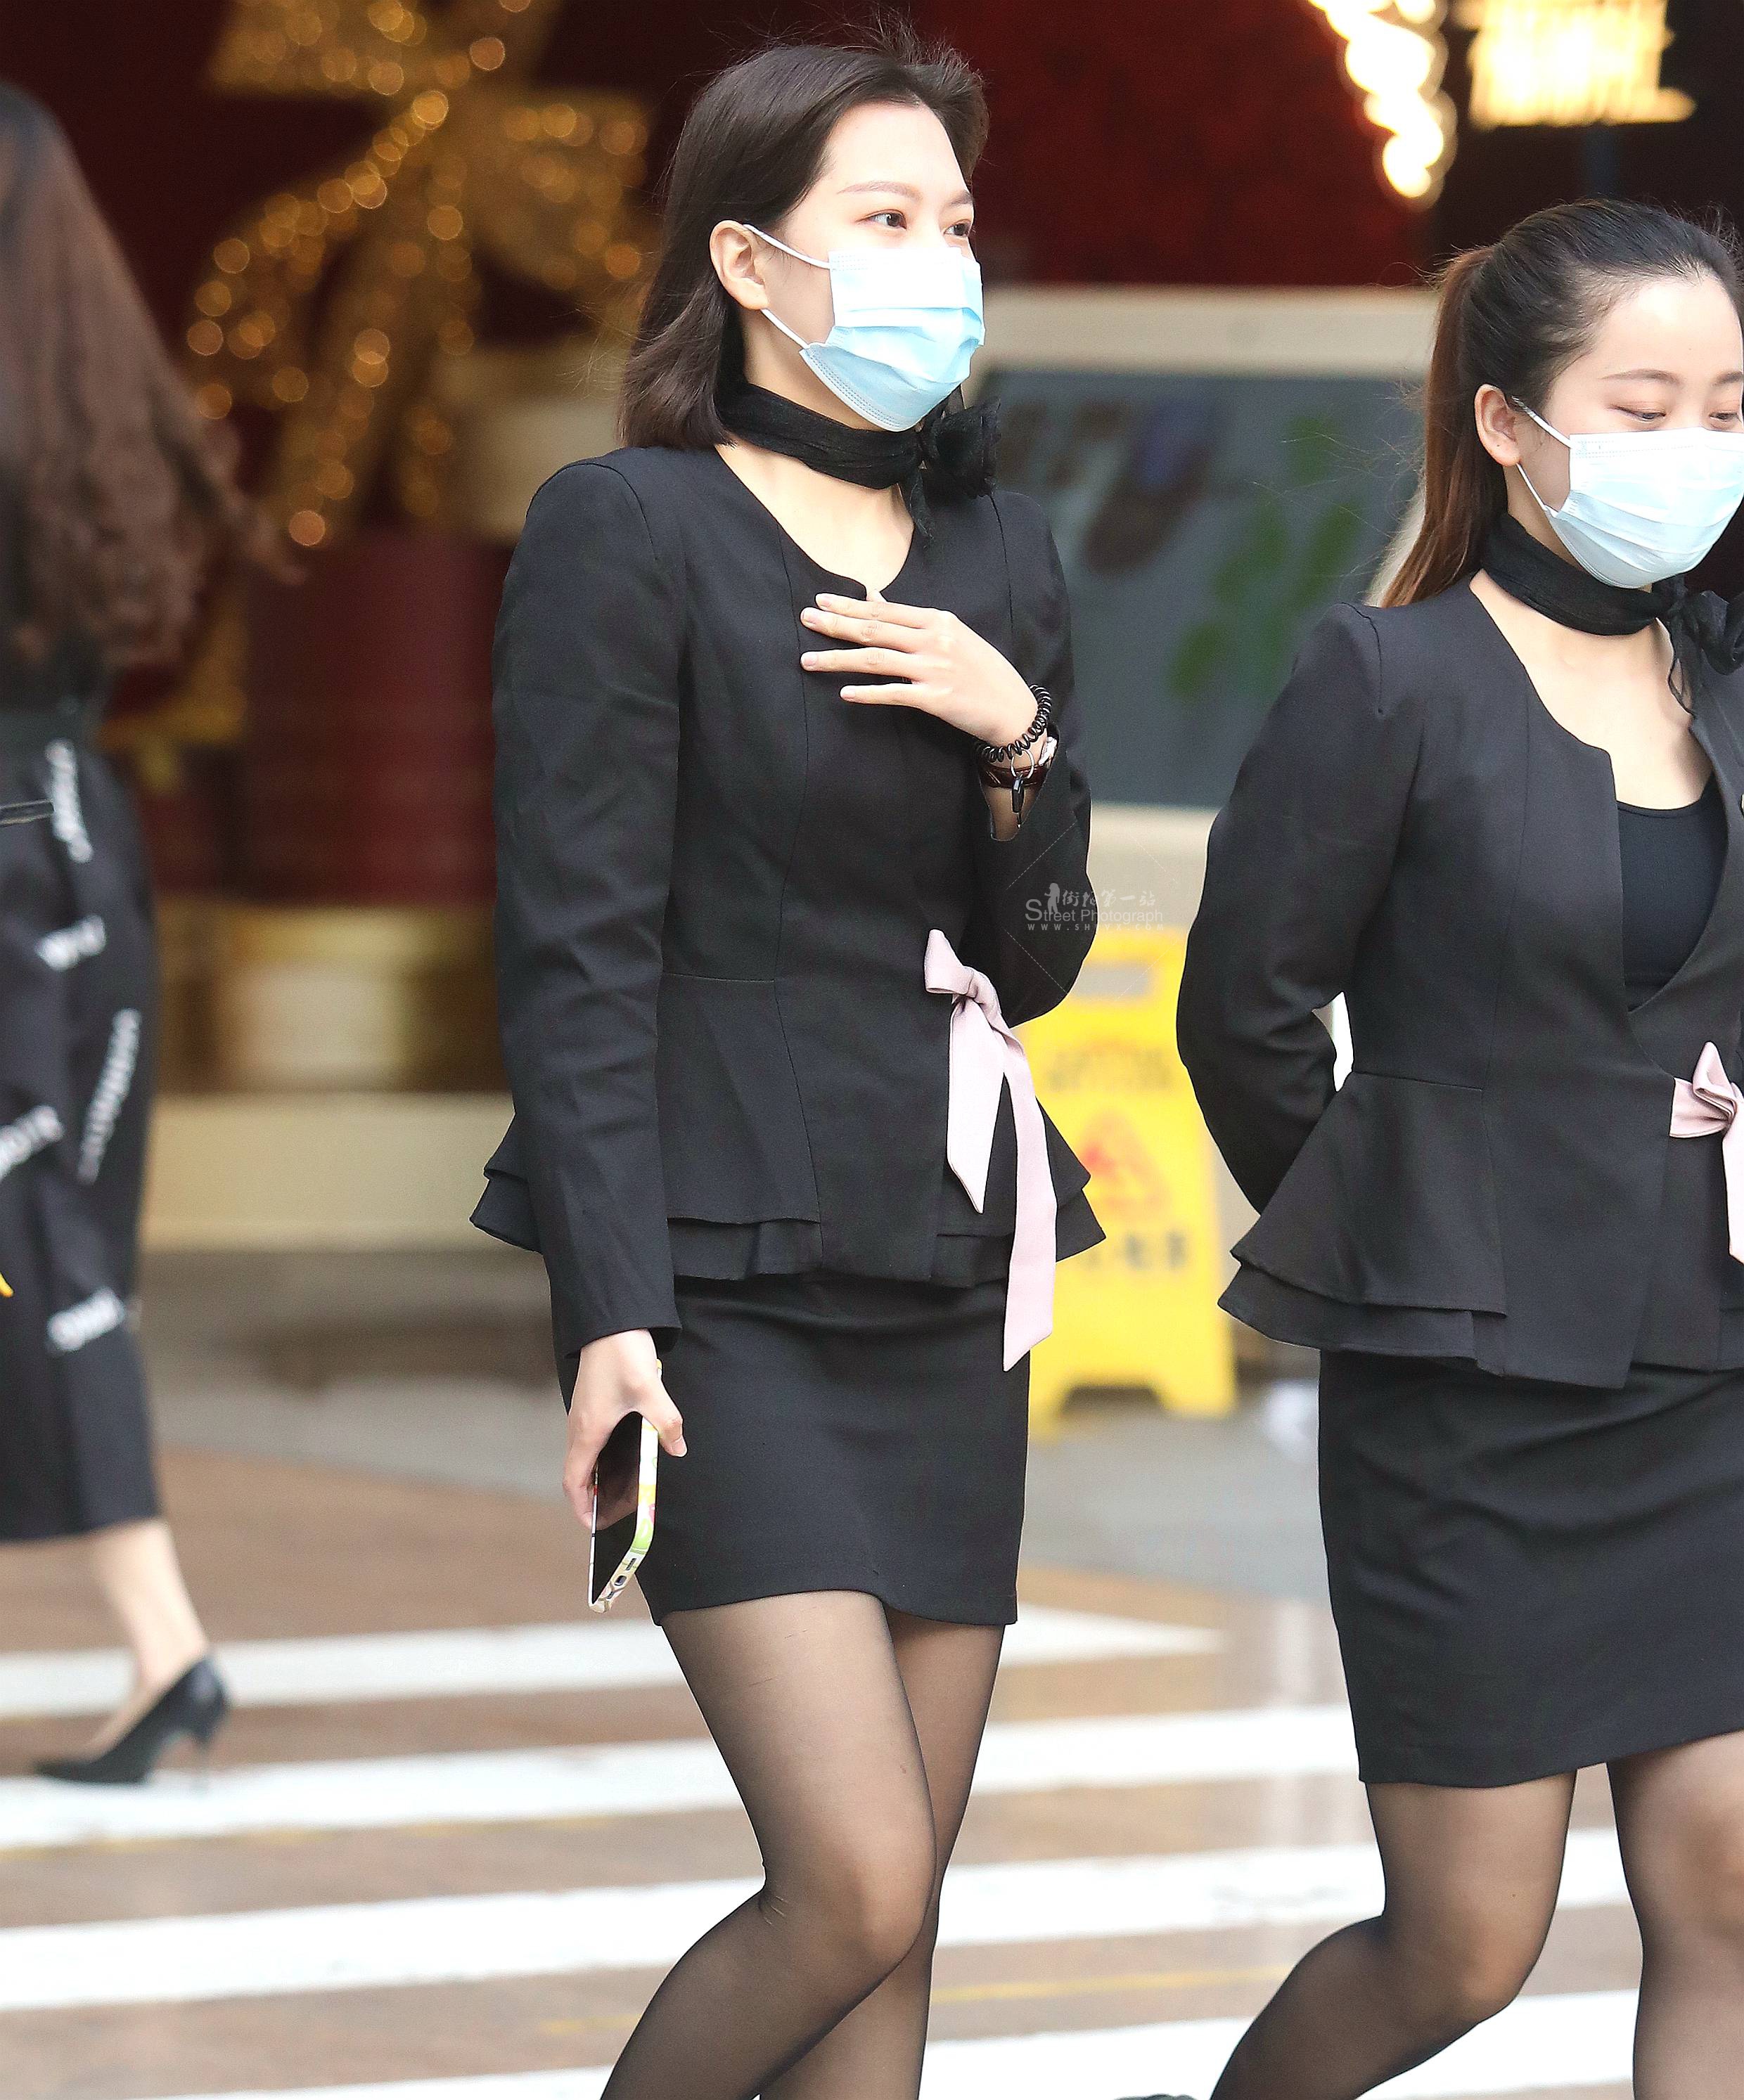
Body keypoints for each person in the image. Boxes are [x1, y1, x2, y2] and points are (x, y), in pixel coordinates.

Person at [472, 28, 1103, 2100]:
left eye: (957, 222)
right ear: (748, 258)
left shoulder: (1006, 555)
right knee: (851, 1880)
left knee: (899, 1929)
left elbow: (1039, 960)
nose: (941, 258)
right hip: (719, 1273)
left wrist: (1018, 740)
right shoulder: (624, 528)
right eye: (885, 217)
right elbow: (578, 957)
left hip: (946, 1255)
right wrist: (608, 1312)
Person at [1153, 199, 1744, 2099]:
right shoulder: (1386, 679)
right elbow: (1245, 1013)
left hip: (1710, 1366)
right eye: (1642, 406)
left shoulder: (1727, 677)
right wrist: (1404, 1234)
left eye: (1727, 406)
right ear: (1507, 421)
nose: (1694, 446)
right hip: (1467, 1399)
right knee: (1466, 1946)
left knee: (1731, 1890)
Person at [0, 86, 268, 1783]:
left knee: (37, 1239)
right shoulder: (88, 401)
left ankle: (168, 1646)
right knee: (47, 1235)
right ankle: (166, 1646)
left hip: (14, 853)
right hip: (70, 829)